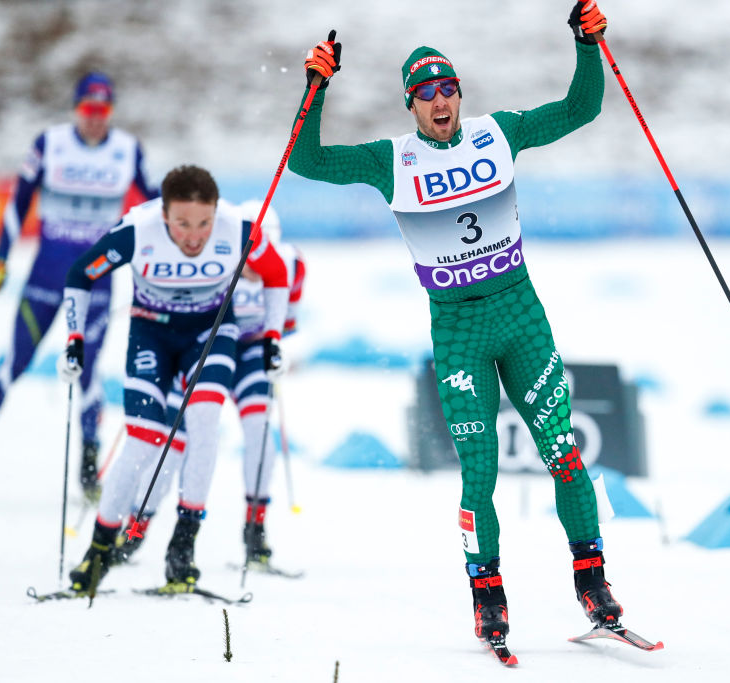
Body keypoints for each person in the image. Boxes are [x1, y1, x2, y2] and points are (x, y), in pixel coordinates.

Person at [288, 2, 621, 646]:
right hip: (459, 332)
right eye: (424, 94)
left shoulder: (500, 133)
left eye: (447, 89)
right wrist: (314, 89)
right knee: (480, 472)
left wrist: (586, 42)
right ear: (410, 106)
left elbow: (581, 109)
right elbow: (307, 160)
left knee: (563, 453)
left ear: (459, 93)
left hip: (522, 317)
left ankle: (592, 579)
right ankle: (488, 595)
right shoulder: (392, 160)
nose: (439, 102)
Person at [58, 166, 290, 593]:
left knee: (204, 425)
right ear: (164, 215)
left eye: (203, 222)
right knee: (144, 440)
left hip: (211, 330)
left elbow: (276, 275)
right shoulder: (137, 231)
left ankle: (182, 549)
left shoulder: (239, 229)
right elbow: (80, 275)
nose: (194, 235)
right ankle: (99, 550)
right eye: (182, 223)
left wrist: (273, 336)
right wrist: (74, 337)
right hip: (152, 332)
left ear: (216, 212)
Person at [0, 72, 157, 501]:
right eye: (89, 109)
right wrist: (0, 259)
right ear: (76, 108)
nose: (95, 119)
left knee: (90, 375)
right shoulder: (49, 144)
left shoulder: (128, 150)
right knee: (13, 366)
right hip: (45, 277)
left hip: (96, 282)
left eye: (103, 110)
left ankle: (89, 472)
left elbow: (154, 207)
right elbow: (18, 204)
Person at [110, 201, 307, 569]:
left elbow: (288, 319)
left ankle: (255, 532)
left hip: (248, 354)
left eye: (258, 263)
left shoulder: (291, 263)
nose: (253, 271)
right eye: (245, 261)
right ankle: (136, 528)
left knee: (259, 431)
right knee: (174, 445)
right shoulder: (213, 253)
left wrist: (275, 346)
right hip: (208, 351)